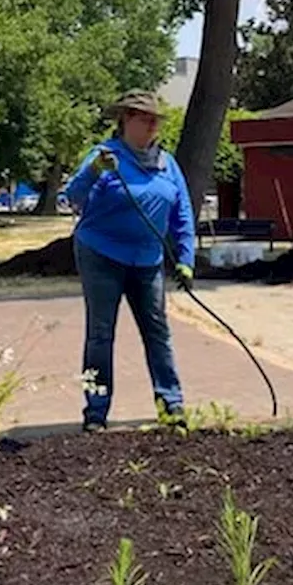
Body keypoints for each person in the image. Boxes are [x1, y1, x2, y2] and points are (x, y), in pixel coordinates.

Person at [60, 90, 197, 432]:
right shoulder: (105, 156)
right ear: (125, 121)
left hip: (148, 259)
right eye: (144, 118)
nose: (152, 125)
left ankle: (172, 405)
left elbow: (182, 214)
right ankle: (95, 411)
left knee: (157, 332)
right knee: (101, 333)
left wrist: (185, 258)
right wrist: (92, 171)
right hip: (101, 253)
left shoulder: (168, 164)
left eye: (155, 120)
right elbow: (73, 197)